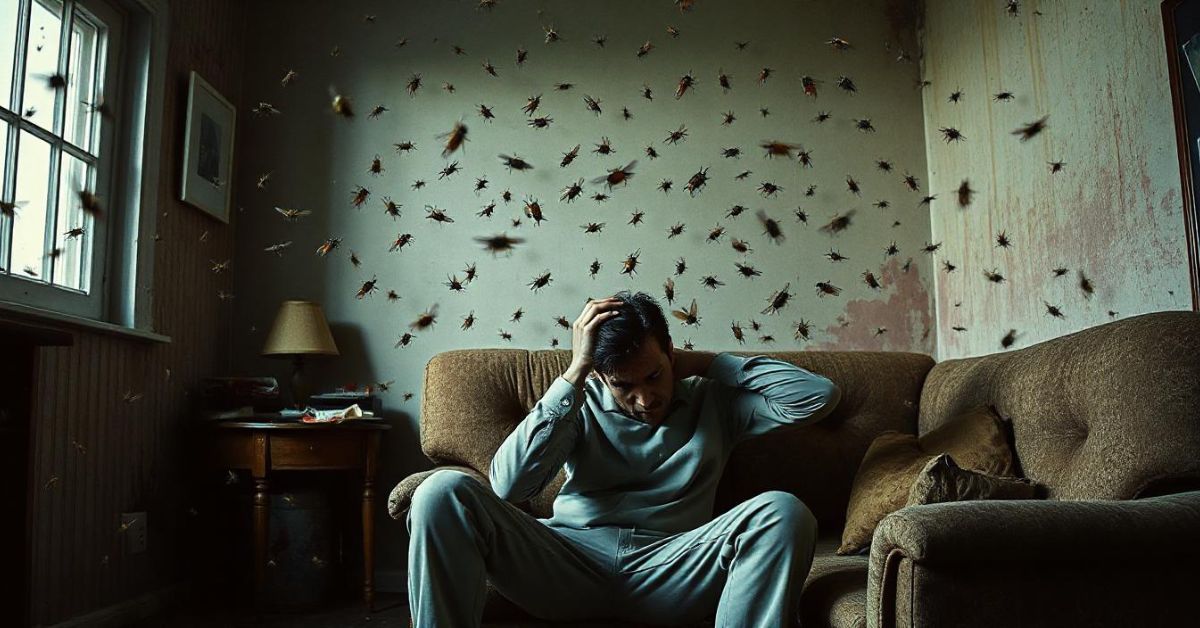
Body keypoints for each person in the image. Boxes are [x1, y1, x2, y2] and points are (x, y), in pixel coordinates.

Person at [407, 291, 842, 627]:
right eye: (624, 385)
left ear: (671, 352)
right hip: (566, 564)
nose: (645, 398)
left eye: (654, 375)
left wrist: (709, 363)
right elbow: (507, 486)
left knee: (784, 511)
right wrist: (574, 374)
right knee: (441, 491)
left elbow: (818, 397)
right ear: (600, 376)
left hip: (673, 566)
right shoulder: (578, 400)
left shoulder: (716, 401)